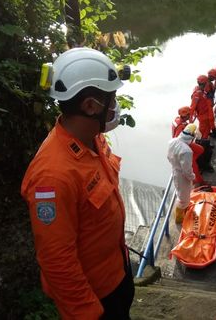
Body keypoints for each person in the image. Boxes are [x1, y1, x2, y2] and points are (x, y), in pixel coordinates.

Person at [21, 48, 134, 319]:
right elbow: (56, 261)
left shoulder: (92, 138)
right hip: (95, 298)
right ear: (91, 106)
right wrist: (87, 313)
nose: (115, 105)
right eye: (112, 97)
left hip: (117, 274)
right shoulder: (52, 176)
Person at [168, 124, 197, 224]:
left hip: (175, 170)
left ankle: (182, 211)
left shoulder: (173, 141)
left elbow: (168, 156)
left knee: (180, 192)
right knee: (184, 197)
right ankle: (179, 218)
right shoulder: (187, 151)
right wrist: (193, 177)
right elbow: (187, 170)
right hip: (182, 175)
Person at [172, 106, 205, 186]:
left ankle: (190, 163)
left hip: (183, 144)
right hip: (182, 147)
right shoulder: (181, 126)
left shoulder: (178, 120)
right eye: (189, 114)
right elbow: (179, 140)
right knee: (194, 166)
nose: (191, 115)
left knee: (200, 149)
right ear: (185, 115)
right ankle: (199, 182)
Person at [190, 75, 215, 140]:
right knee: (202, 132)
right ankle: (202, 145)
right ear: (205, 83)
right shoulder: (197, 94)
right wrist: (190, 120)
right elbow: (192, 107)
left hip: (207, 115)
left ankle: (205, 144)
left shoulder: (203, 91)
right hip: (203, 116)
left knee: (207, 130)